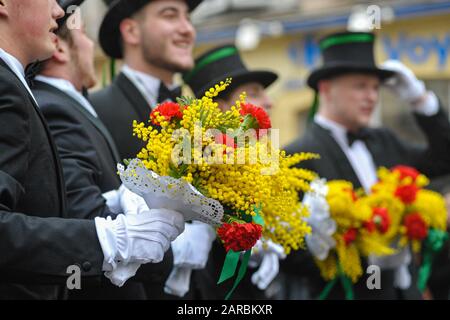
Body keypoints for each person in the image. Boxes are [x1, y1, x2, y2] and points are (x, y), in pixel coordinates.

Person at [0, 0, 184, 299]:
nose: (59, 12)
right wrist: (107, 239)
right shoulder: (10, 88)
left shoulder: (17, 88)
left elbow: (37, 203)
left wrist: (115, 202)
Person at [283, 31, 450, 300]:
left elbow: (443, 158)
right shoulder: (297, 156)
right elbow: (290, 253)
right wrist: (348, 246)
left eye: (375, 88)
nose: (372, 97)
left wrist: (420, 100)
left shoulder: (384, 140)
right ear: (326, 88)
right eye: (360, 86)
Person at [91, 0, 216, 299]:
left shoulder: (201, 117)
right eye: (170, 15)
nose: (187, 29)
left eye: (188, 17)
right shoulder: (95, 112)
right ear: (131, 31)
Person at [183, 44, 285, 300]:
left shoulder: (264, 157)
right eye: (254, 93)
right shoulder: (194, 163)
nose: (268, 102)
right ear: (218, 107)